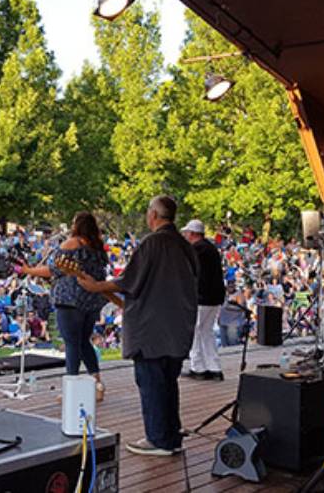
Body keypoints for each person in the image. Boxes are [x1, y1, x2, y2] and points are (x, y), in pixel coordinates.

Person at [73, 195, 198, 456]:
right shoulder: (185, 244)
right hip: (178, 325)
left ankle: (157, 439)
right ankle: (170, 436)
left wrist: (96, 286)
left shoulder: (153, 242)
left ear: (153, 214)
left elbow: (130, 280)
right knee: (168, 383)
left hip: (153, 328)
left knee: (152, 383)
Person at [19, 212, 114, 401]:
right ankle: (97, 384)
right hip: (91, 300)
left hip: (70, 299)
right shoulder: (97, 247)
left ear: (77, 225)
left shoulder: (72, 243)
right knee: (83, 341)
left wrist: (27, 269)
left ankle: (72, 388)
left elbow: (53, 268)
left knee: (71, 343)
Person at [182, 219, 225, 381]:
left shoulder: (196, 250)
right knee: (206, 332)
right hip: (214, 297)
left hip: (201, 297)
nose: (185, 235)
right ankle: (214, 367)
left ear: (193, 234)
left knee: (195, 331)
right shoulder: (211, 248)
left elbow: (193, 275)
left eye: (186, 233)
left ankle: (198, 367)